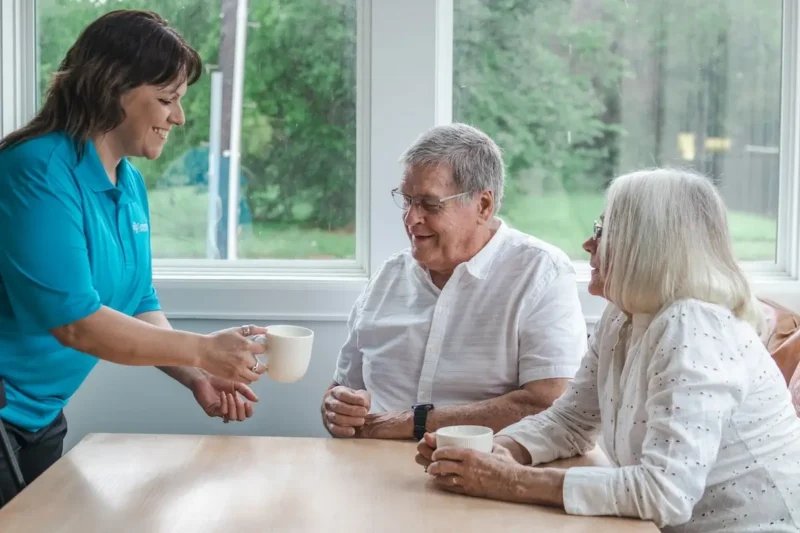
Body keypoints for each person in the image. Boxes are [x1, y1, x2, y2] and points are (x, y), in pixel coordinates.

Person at [416, 168, 800, 532]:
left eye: (602, 230)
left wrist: (512, 480)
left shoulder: (693, 327)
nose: (588, 243)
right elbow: (570, 422)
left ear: (648, 243)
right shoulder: (623, 317)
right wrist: (498, 450)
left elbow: (664, 494)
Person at [0, 10, 267, 505]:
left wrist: (196, 375)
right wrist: (202, 349)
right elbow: (76, 323)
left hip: (40, 415)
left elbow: (136, 297)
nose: (179, 117)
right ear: (111, 89)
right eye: (167, 100)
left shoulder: (129, 183)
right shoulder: (36, 170)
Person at [321, 123, 587, 440]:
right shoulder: (388, 277)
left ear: (483, 206)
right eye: (406, 201)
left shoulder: (540, 273)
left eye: (430, 205)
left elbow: (549, 403)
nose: (411, 218)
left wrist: (415, 423)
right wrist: (336, 409)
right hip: (366, 467)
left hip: (478, 472)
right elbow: (341, 389)